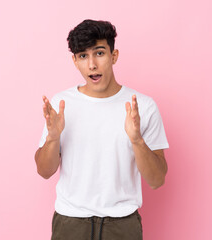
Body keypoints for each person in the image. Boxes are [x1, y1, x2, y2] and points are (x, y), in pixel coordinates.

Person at [34, 19, 169, 240]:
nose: (92, 65)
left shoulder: (143, 106)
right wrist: (53, 138)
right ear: (75, 61)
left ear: (113, 56)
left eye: (99, 53)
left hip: (122, 224)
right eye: (83, 56)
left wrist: (137, 140)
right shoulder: (61, 105)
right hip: (70, 223)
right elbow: (44, 171)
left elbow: (157, 180)